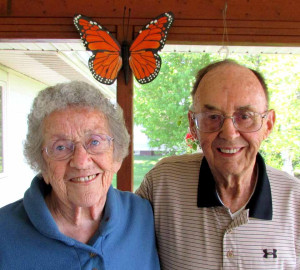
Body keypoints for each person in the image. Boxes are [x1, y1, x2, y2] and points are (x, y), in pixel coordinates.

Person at [136, 59, 300, 269]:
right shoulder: (162, 184)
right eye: (213, 117)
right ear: (193, 125)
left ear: (267, 124)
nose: (229, 133)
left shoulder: (295, 201)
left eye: (245, 116)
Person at [0, 81, 160, 269]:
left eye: (94, 141)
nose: (81, 161)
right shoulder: (4, 232)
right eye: (60, 147)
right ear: (42, 163)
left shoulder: (143, 215)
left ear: (116, 156)